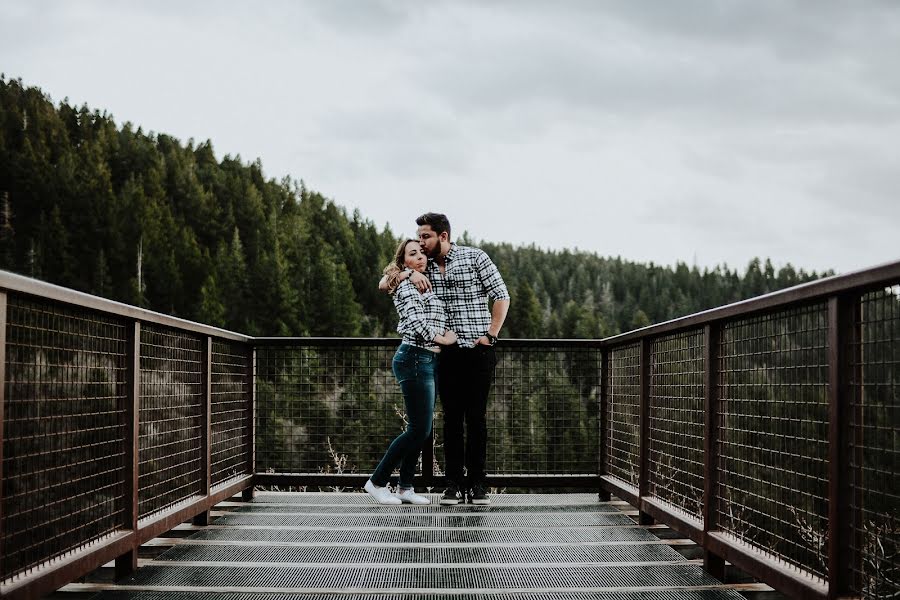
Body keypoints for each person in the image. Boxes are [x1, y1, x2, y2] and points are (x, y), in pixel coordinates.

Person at [381, 213, 509, 505]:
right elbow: (384, 284)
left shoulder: (475, 258)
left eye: (425, 236)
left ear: (443, 236)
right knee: (450, 418)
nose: (422, 243)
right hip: (445, 353)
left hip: (479, 350)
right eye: (419, 237)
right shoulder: (421, 269)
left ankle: (478, 484)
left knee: (476, 418)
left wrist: (491, 335)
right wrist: (406, 274)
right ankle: (452, 484)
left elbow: (501, 295)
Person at [364, 239, 458, 505]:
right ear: (404, 261)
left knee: (423, 429)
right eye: (412, 254)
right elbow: (416, 322)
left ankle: (405, 487)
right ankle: (377, 482)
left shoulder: (423, 282)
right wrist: (442, 339)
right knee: (418, 429)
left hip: (426, 360)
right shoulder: (406, 284)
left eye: (421, 254)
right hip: (414, 357)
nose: (420, 258)